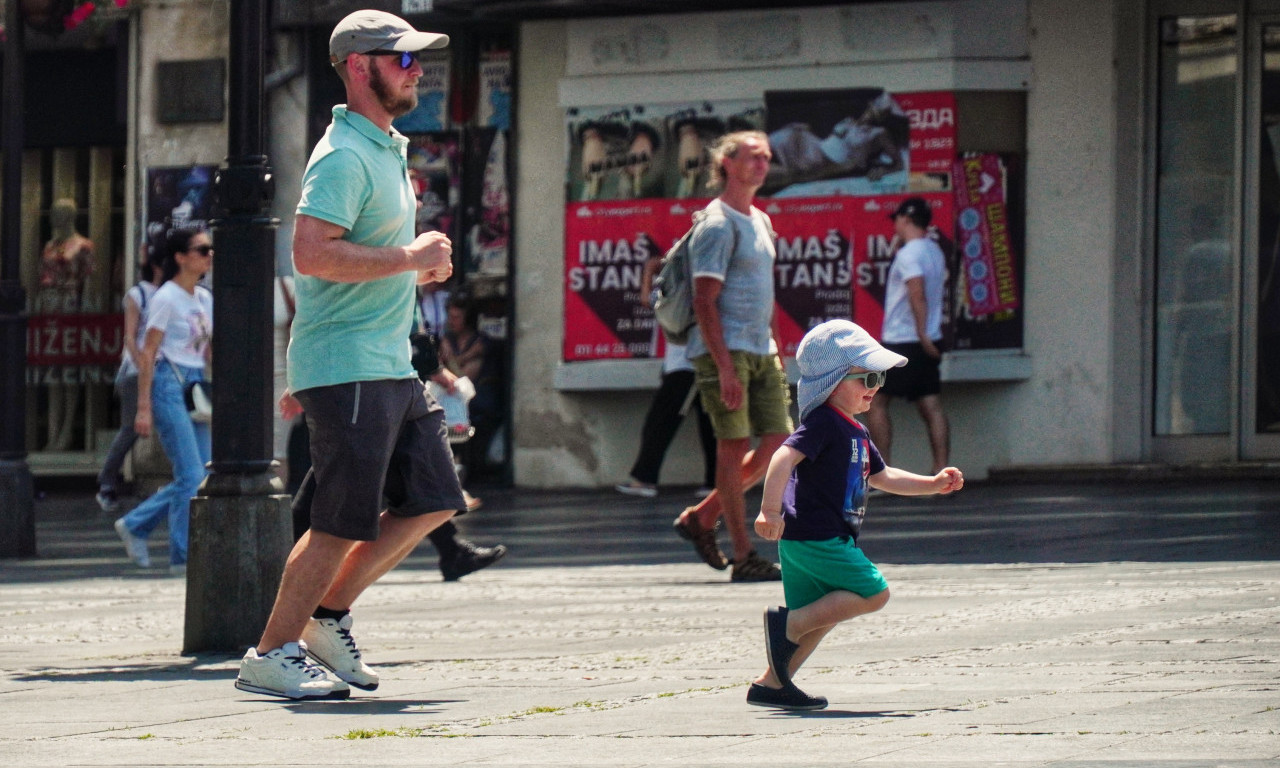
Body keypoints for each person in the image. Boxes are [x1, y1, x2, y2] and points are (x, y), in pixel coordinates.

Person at [235, 9, 462, 701]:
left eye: (417, 59)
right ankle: (270, 652)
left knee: (433, 499)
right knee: (338, 521)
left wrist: (412, 268)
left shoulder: (385, 147)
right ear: (361, 67)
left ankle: (326, 615)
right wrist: (409, 256)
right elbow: (310, 253)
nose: (417, 69)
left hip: (384, 362)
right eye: (403, 60)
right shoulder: (342, 154)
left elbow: (353, 255)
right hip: (351, 365)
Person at [751, 319, 964, 710]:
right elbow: (783, 456)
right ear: (831, 381)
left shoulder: (856, 431)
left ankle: (773, 682)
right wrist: (768, 510)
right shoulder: (823, 423)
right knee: (873, 592)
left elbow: (884, 476)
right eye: (866, 379)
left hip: (815, 539)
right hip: (815, 536)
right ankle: (788, 625)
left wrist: (931, 483)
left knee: (823, 614)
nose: (876, 387)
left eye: (879, 377)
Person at [672, 130, 791, 583]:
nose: (761, 165)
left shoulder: (759, 220)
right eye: (751, 157)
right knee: (732, 448)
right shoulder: (717, 223)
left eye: (766, 158)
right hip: (726, 351)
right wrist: (723, 367)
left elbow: (766, 295)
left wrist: (778, 344)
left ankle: (701, 518)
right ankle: (744, 555)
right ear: (726, 163)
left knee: (779, 441)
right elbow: (705, 300)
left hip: (762, 350)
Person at [112, 228, 213, 576]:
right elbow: (149, 353)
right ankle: (182, 558)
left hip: (195, 386)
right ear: (181, 257)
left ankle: (136, 524)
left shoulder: (204, 298)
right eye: (202, 249)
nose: (209, 254)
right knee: (190, 475)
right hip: (169, 384)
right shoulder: (166, 298)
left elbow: (207, 349)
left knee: (201, 478)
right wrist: (143, 406)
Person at [616, 252, 716, 498]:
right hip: (695, 366)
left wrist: (650, 272)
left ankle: (644, 479)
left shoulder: (685, 294)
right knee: (709, 427)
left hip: (686, 369)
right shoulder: (689, 291)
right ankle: (714, 483)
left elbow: (647, 301)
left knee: (659, 424)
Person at [864, 197, 951, 474]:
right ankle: (942, 472)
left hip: (904, 340)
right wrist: (928, 338)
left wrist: (922, 334)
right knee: (931, 405)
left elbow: (917, 294)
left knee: (875, 401)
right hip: (928, 340)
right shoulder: (935, 251)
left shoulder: (909, 254)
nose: (895, 226)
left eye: (897, 220)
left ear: (906, 220)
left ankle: (884, 473)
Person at [96, 242, 166, 513]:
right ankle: (107, 481)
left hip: (164, 370)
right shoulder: (138, 294)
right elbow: (130, 337)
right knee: (131, 430)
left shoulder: (171, 293)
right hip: (136, 371)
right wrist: (143, 367)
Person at [36, 198, 96, 451]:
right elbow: (42, 277)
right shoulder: (50, 245)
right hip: (49, 309)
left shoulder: (84, 246)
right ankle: (53, 433)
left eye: (57, 214)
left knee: (70, 373)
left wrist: (87, 311)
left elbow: (90, 279)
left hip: (71, 308)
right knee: (53, 373)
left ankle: (68, 429)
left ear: (68, 216)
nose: (52, 218)